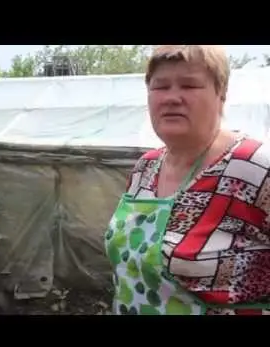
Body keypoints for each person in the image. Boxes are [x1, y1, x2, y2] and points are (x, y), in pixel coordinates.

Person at [104, 45, 270, 315]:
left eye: (189, 85)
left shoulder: (254, 168)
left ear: (221, 93)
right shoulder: (145, 168)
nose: (172, 98)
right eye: (160, 86)